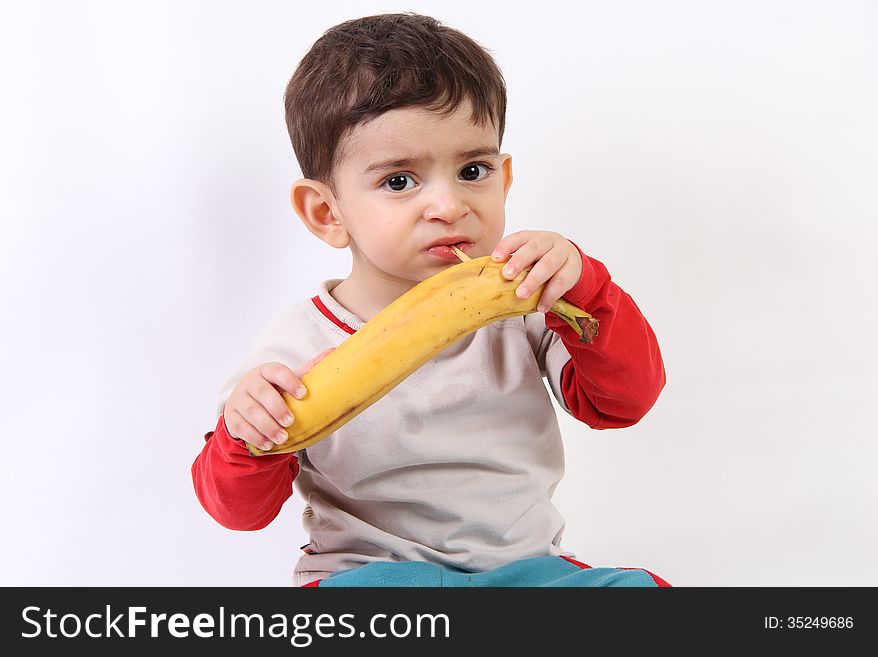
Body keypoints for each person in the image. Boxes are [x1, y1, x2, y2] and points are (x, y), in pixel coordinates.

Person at [192, 12, 668, 587]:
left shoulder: (526, 305)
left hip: (524, 573)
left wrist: (587, 289)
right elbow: (238, 511)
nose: (448, 204)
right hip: (373, 577)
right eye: (399, 180)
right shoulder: (296, 345)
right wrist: (248, 436)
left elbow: (623, 403)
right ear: (327, 212)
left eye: (473, 170)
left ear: (505, 178)